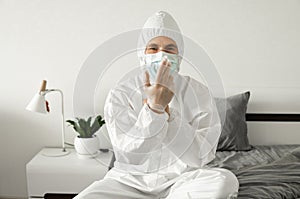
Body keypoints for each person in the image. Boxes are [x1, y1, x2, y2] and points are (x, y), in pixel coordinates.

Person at [75, 11, 239, 199]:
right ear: (142, 54)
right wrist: (154, 110)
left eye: (169, 49)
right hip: (129, 181)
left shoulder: (198, 93)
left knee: (224, 180)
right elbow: (130, 156)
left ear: (180, 55)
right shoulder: (121, 94)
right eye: (153, 48)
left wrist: (169, 117)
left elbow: (200, 157)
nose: (161, 55)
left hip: (185, 179)